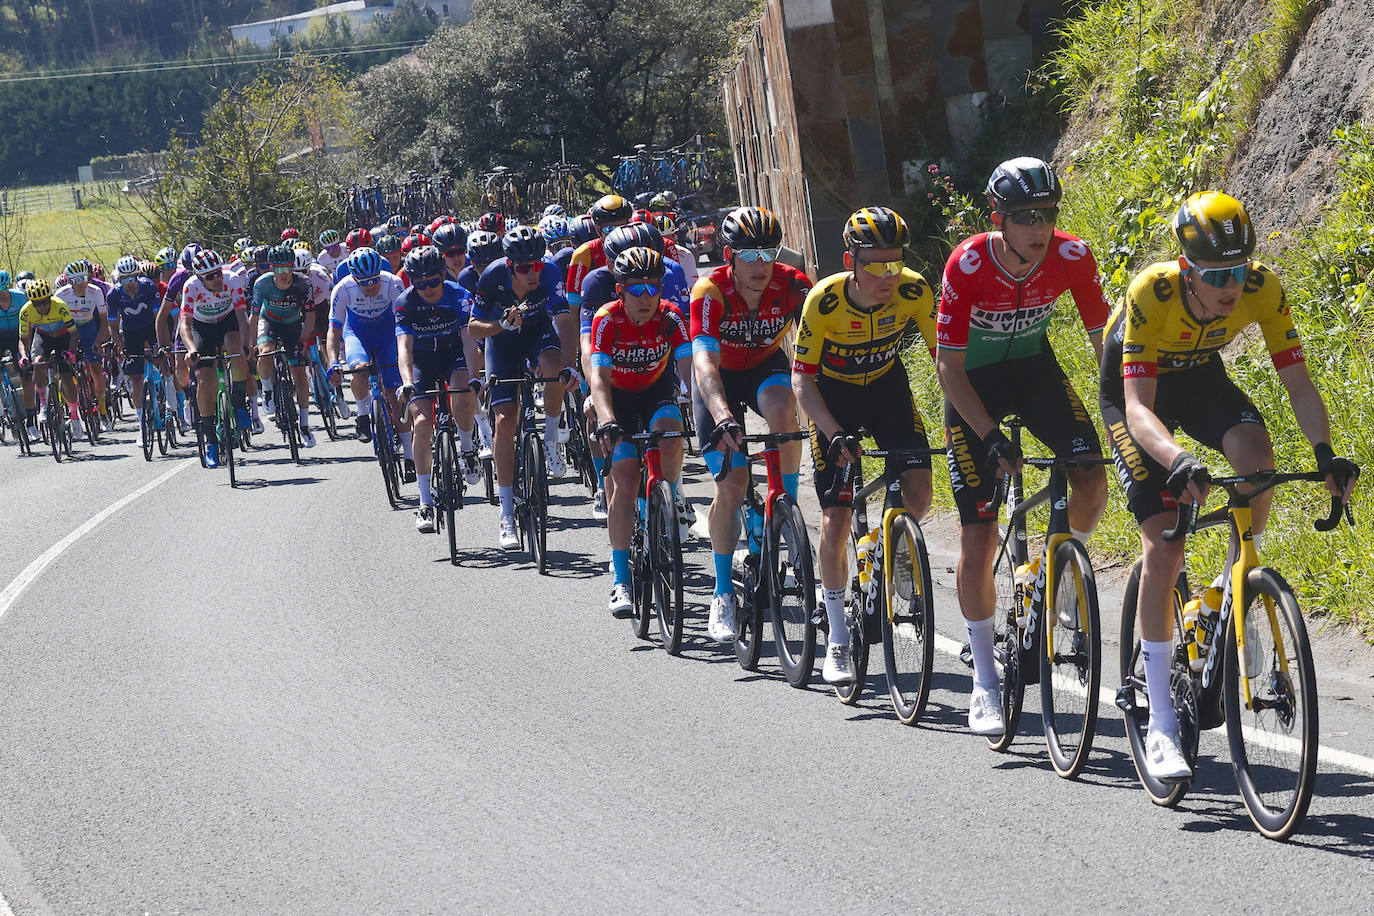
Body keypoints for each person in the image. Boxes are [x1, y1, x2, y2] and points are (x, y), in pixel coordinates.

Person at [1100, 190, 1359, 782]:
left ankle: (1229, 586)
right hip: (1136, 393)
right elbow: (1138, 408)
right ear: (1187, 270)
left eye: (1239, 270)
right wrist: (1177, 457)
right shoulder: (1151, 294)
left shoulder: (1264, 288)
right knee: (1165, 542)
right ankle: (1162, 719)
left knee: (1255, 455)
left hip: (1200, 378)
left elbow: (1296, 379)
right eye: (1218, 275)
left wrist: (1325, 455)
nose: (1232, 286)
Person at [935, 156, 1111, 736]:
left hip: (1035, 373)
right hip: (973, 388)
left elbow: (1105, 346)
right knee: (980, 531)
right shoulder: (966, 264)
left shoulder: (1071, 256)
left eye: (1048, 214)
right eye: (1026, 216)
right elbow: (950, 369)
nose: (1040, 228)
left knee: (1090, 475)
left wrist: (1133, 411)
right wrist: (987, 436)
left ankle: (1061, 574)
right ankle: (985, 679)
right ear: (998, 218)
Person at [792, 206, 939, 684]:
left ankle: (894, 556)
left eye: (895, 263)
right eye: (875, 265)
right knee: (835, 517)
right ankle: (836, 636)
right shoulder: (824, 301)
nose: (888, 276)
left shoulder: (915, 290)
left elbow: (945, 360)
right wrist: (832, 433)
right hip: (831, 396)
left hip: (885, 386)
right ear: (850, 261)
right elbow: (802, 380)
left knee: (918, 490)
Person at [692, 206, 812, 641]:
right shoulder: (710, 292)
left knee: (785, 408)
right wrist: (722, 413)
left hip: (764, 367)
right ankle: (722, 593)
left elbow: (820, 344)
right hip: (718, 378)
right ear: (729, 256)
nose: (761, 264)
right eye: (750, 254)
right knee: (733, 482)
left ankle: (787, 514)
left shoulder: (794, 285)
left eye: (769, 252)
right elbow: (704, 362)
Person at [587, 247, 693, 617]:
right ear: (620, 290)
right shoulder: (607, 320)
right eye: (637, 289)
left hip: (655, 393)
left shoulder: (671, 317)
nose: (646, 297)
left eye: (654, 288)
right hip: (618, 401)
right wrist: (605, 418)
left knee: (673, 431)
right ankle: (619, 578)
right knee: (626, 483)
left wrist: (699, 405)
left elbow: (689, 367)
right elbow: (597, 377)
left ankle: (669, 495)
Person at [466, 226, 570, 549]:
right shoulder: (492, 277)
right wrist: (500, 325)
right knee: (505, 422)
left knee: (554, 369)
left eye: (537, 265)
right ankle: (507, 513)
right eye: (525, 268)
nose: (533, 273)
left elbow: (564, 322)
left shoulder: (550, 273)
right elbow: (473, 327)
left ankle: (551, 440)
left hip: (538, 335)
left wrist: (569, 366)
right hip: (503, 343)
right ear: (510, 265)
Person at [394, 245, 473, 533]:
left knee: (463, 394)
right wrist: (406, 382)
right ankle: (425, 501)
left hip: (454, 355)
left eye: (433, 282)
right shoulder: (405, 303)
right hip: (422, 363)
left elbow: (468, 340)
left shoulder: (459, 295)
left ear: (443, 275)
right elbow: (404, 348)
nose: (427, 289)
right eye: (420, 284)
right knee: (423, 423)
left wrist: (474, 376)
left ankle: (467, 449)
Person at [326, 247, 407, 446]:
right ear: (354, 279)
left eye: (374, 280)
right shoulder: (342, 289)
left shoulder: (393, 283)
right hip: (357, 334)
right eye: (364, 283)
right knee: (359, 371)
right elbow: (334, 330)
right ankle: (362, 415)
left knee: (393, 392)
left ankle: (408, 456)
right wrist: (333, 362)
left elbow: (406, 325)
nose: (371, 286)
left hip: (387, 334)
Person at [180, 249, 252, 467]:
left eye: (218, 272)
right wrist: (191, 349)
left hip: (227, 321)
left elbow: (242, 318)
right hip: (202, 328)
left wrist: (246, 346)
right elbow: (185, 324)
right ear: (201, 278)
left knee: (235, 346)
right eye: (210, 276)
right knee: (204, 378)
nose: (217, 278)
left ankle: (239, 403)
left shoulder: (232, 280)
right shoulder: (190, 286)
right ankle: (210, 438)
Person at [252, 244, 319, 448]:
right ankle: (267, 390)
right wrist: (250, 345)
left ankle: (305, 425)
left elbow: (310, 316)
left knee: (299, 372)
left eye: (288, 268)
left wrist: (303, 340)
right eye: (279, 269)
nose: (284, 274)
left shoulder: (304, 283)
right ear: (272, 268)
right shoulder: (261, 284)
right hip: (269, 321)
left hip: (293, 324)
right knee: (265, 353)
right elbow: (254, 317)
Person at [16, 279, 82, 440]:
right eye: (37, 304)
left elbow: (74, 333)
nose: (42, 307)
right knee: (37, 361)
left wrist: (71, 352)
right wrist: (24, 355)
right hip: (43, 337)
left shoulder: (59, 305)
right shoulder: (26, 311)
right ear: (32, 302)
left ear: (49, 298)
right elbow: (23, 339)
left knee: (66, 375)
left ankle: (74, 416)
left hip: (63, 337)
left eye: (45, 302)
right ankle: (44, 405)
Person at [105, 255, 165, 431]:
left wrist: (161, 344)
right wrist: (122, 347)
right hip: (131, 333)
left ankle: (170, 395)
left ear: (138, 276)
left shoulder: (147, 286)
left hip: (151, 327)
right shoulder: (113, 295)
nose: (130, 283)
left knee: (162, 361)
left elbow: (159, 318)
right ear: (119, 279)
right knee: (136, 377)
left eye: (133, 278)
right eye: (125, 280)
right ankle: (141, 423)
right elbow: (113, 328)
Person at [54, 260, 111, 430]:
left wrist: (99, 342)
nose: (81, 284)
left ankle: (102, 409)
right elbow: (56, 323)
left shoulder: (96, 291)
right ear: (69, 281)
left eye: (84, 278)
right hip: (68, 330)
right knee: (65, 371)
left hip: (88, 327)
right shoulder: (61, 295)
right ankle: (73, 412)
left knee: (95, 368)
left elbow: (103, 319)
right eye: (76, 280)